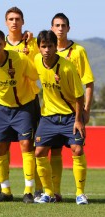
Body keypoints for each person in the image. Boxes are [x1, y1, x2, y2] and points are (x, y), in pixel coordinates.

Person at [38, 13, 94, 202]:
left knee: (76, 150)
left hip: (72, 112)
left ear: (68, 28)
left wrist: (85, 112)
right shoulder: (39, 55)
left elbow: (87, 83)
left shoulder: (77, 53)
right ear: (51, 28)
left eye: (63, 25)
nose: (60, 28)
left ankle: (80, 193)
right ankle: (52, 193)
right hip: (49, 114)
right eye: (56, 25)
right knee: (51, 151)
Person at [0, 29, 38, 203]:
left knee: (26, 145)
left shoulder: (20, 59)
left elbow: (35, 75)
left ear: (4, 44)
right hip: (2, 109)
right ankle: (5, 191)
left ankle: (28, 191)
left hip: (24, 107)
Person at [2, 6, 42, 199]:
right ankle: (3, 188)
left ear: (23, 22)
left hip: (28, 100)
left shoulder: (32, 42)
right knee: (0, 146)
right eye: (11, 19)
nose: (14, 22)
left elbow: (40, 66)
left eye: (18, 19)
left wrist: (31, 44)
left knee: (29, 144)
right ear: (6, 22)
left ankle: (34, 189)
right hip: (3, 103)